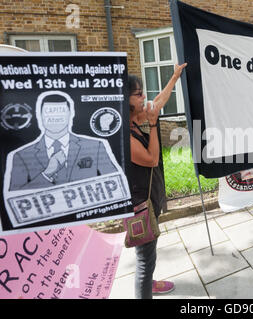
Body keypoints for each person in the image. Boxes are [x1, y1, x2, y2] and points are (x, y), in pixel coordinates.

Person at [128, 63, 187, 299]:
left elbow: (159, 102)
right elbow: (152, 159)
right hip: (139, 206)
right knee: (145, 260)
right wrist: (153, 124)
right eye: (139, 94)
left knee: (147, 254)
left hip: (149, 197)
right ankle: (145, 288)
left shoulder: (134, 118)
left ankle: (148, 282)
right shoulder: (123, 132)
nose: (145, 97)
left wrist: (174, 77)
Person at [6, 90, 121, 191]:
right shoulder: (22, 156)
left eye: (61, 111)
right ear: (40, 116)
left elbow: (116, 184)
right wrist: (47, 174)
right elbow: (14, 197)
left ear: (71, 114)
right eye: (49, 112)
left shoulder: (96, 146)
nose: (55, 117)